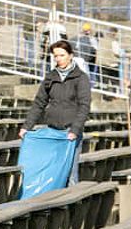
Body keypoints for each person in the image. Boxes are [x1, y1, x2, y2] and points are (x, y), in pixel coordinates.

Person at [20, 40, 91, 185]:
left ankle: (71, 205)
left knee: (70, 173)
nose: (59, 59)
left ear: (70, 55)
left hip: (70, 132)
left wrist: (75, 130)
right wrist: (26, 126)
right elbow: (39, 103)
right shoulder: (50, 77)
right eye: (56, 56)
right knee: (52, 171)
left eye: (62, 55)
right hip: (52, 131)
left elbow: (84, 106)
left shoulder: (80, 78)